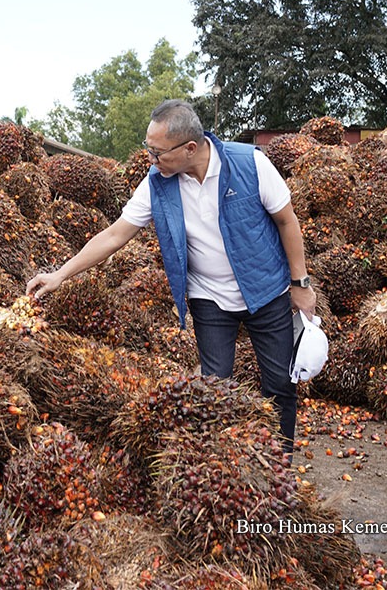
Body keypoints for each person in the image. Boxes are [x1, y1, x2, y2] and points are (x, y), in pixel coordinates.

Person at [26, 99, 316, 453]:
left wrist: (300, 284)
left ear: (189, 148)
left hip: (266, 290)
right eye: (149, 150)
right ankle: (217, 462)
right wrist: (60, 274)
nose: (151, 159)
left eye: (158, 152)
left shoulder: (249, 163)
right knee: (213, 388)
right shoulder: (157, 184)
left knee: (279, 385)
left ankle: (279, 463)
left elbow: (287, 220)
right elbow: (115, 235)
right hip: (209, 298)